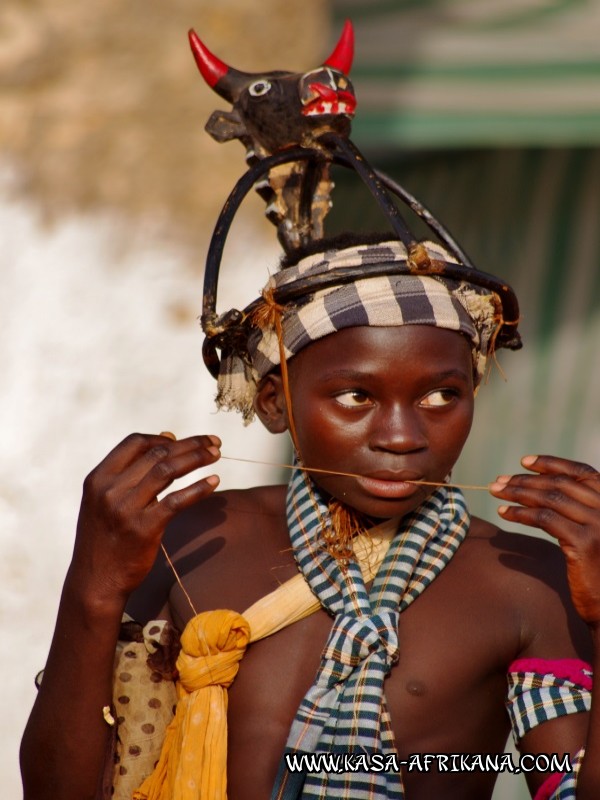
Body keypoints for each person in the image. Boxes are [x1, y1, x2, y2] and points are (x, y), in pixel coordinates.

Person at [19, 230, 600, 800]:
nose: (402, 437)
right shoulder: (192, 537)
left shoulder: (524, 582)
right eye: (356, 397)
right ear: (277, 404)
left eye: (441, 395)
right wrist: (93, 588)